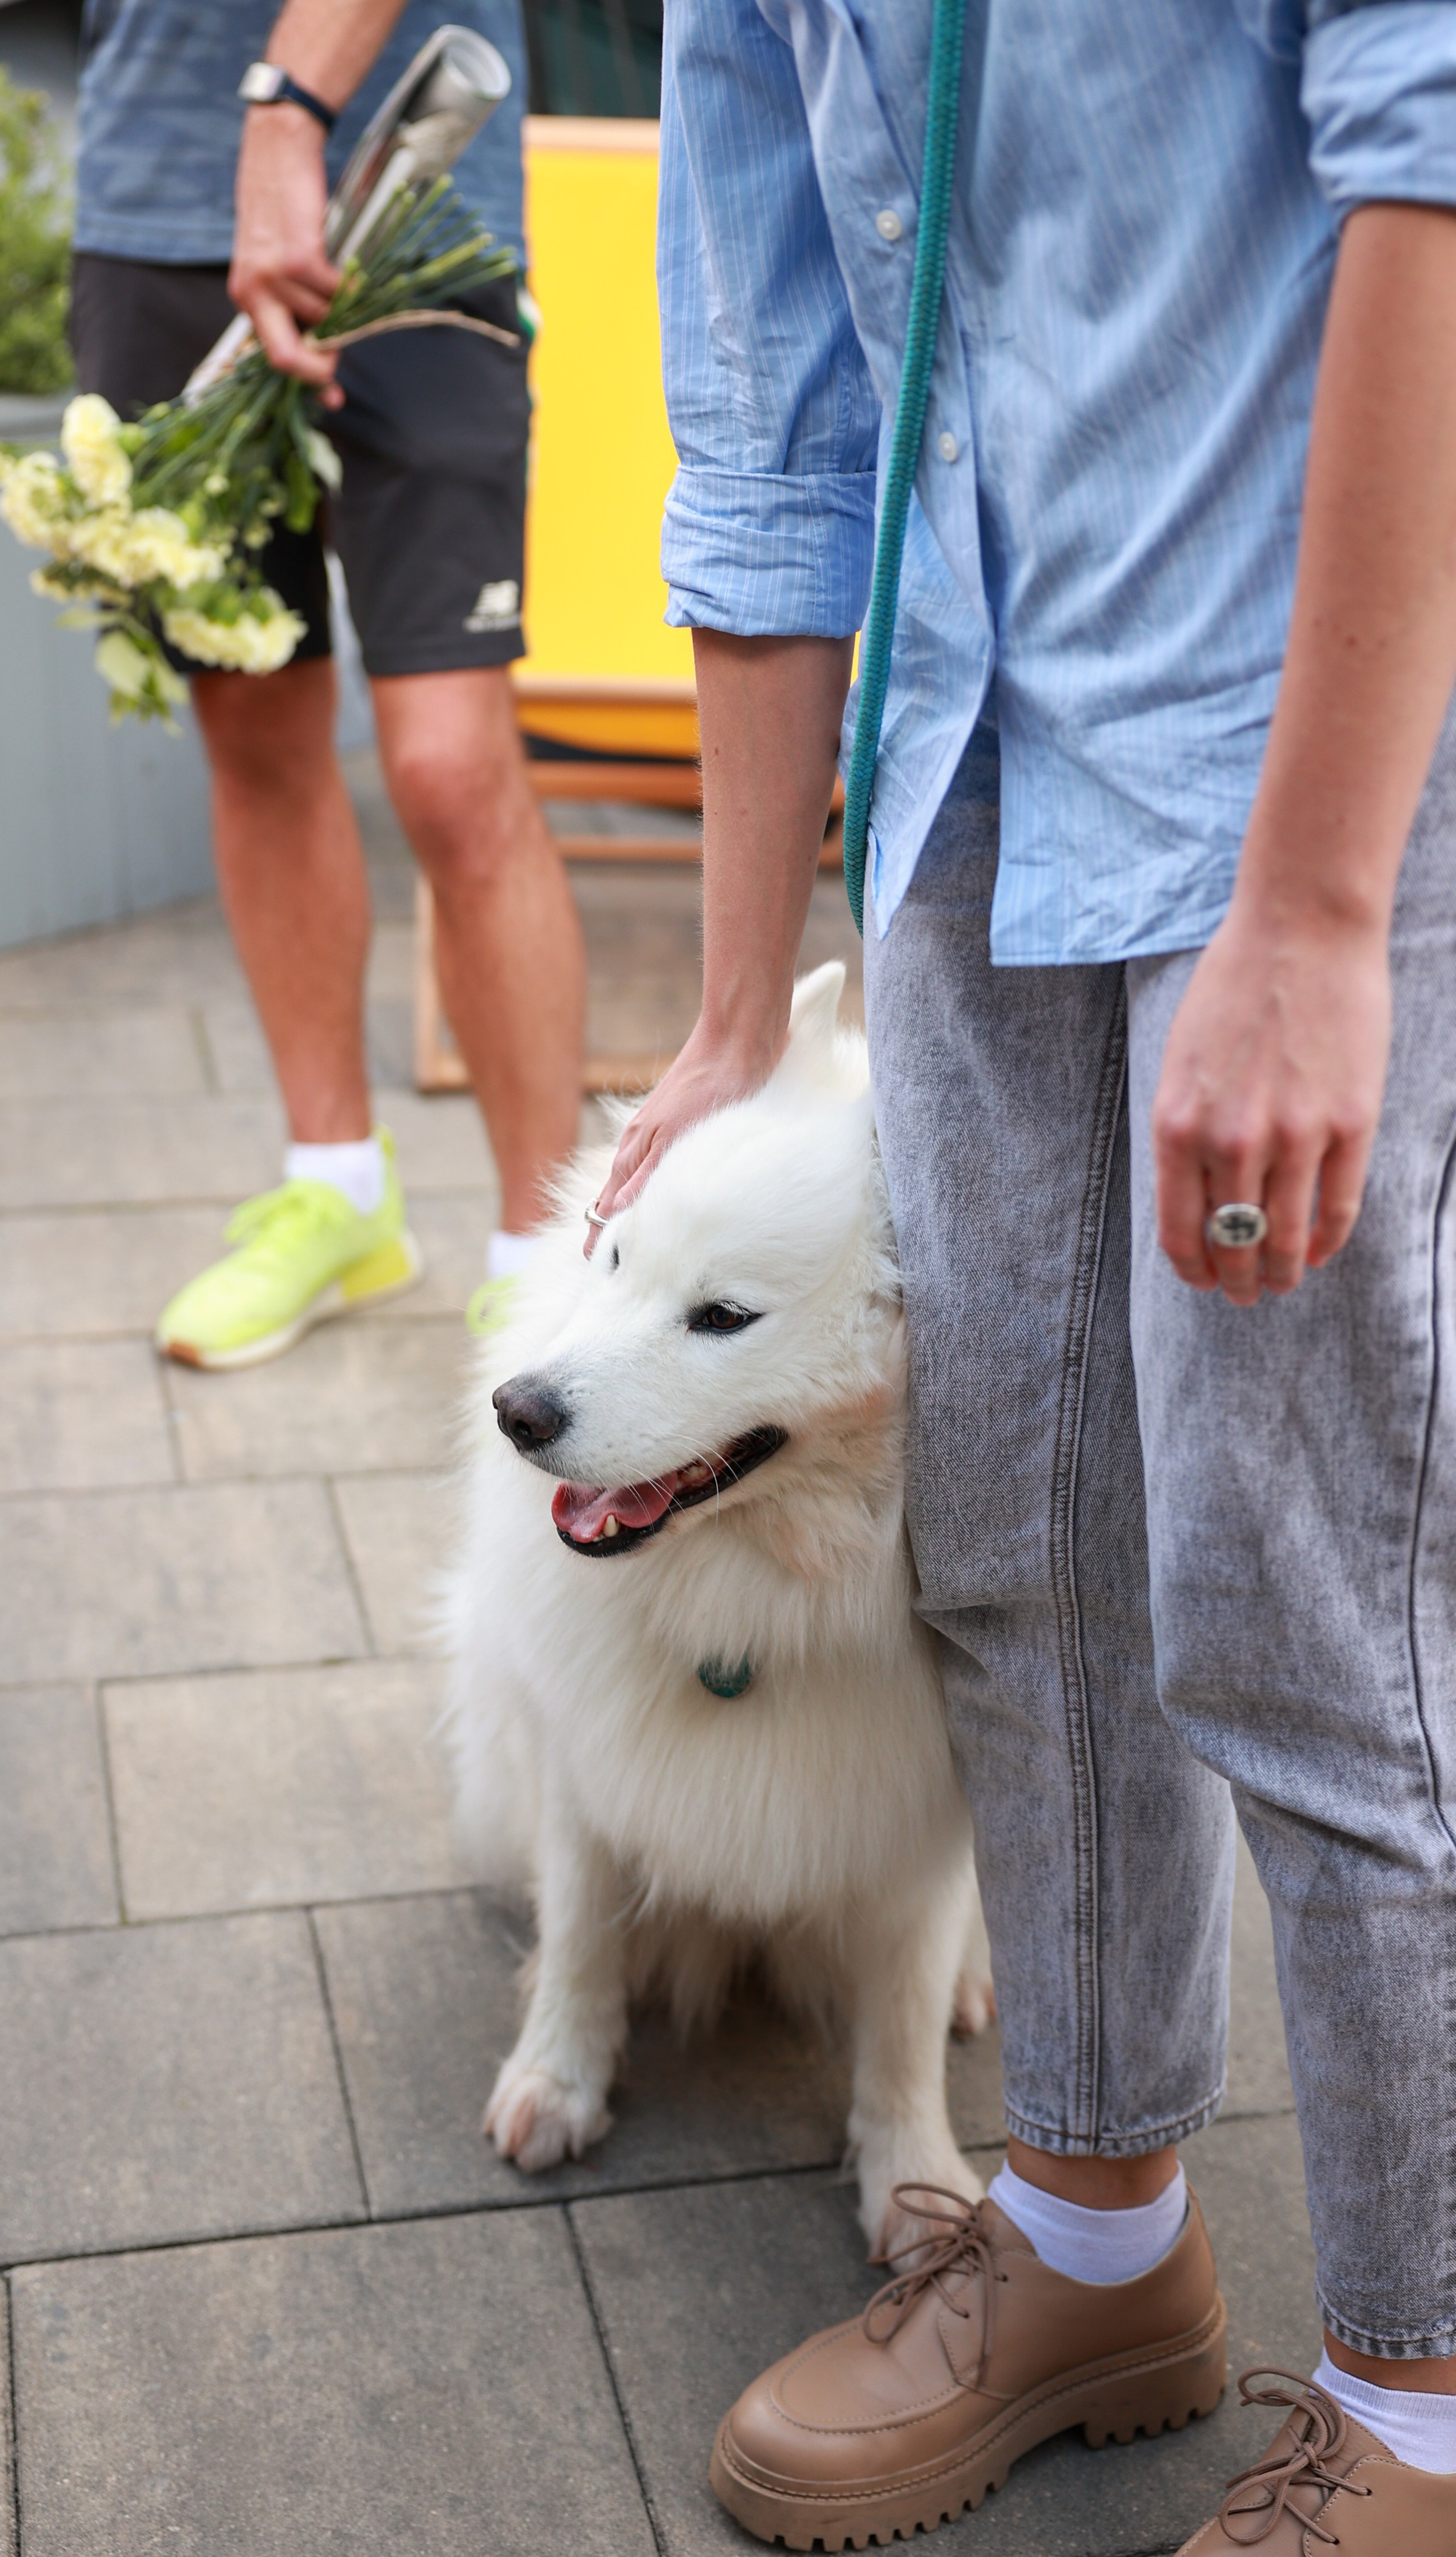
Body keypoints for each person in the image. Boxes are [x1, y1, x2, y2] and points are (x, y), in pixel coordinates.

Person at [587, 2, 1456, 2546]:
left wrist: (1320, 910)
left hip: (1316, 759)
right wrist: (738, 1008)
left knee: (1311, 1603)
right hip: (964, 771)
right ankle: (1095, 2234)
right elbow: (768, 417)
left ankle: (1423, 2398)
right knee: (1015, 1548)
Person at [71, 0, 586, 1367]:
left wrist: (288, 112)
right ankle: (338, 1190)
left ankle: (546, 1254)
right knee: (252, 723)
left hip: (412, 196)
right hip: (153, 201)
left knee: (450, 768)